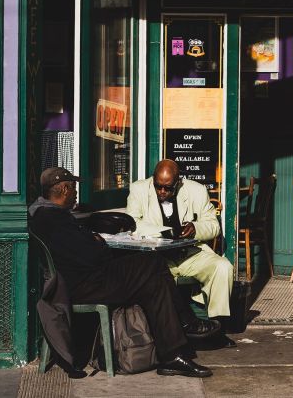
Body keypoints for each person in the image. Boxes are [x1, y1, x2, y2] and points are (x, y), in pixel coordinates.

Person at [28, 166, 216, 378]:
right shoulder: (54, 219)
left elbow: (80, 251)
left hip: (84, 279)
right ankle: (185, 324)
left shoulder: (47, 214)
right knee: (153, 263)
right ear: (63, 189)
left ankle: (172, 354)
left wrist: (93, 240)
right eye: (73, 188)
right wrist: (96, 242)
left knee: (154, 282)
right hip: (84, 285)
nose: (76, 193)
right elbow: (89, 256)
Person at [126, 160, 233, 324]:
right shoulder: (139, 189)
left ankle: (218, 325)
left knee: (223, 267)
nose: (162, 191)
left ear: (178, 182)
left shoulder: (196, 190)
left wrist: (195, 228)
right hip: (156, 259)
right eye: (157, 186)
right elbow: (132, 223)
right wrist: (164, 232)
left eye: (168, 188)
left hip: (188, 254)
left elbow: (213, 226)